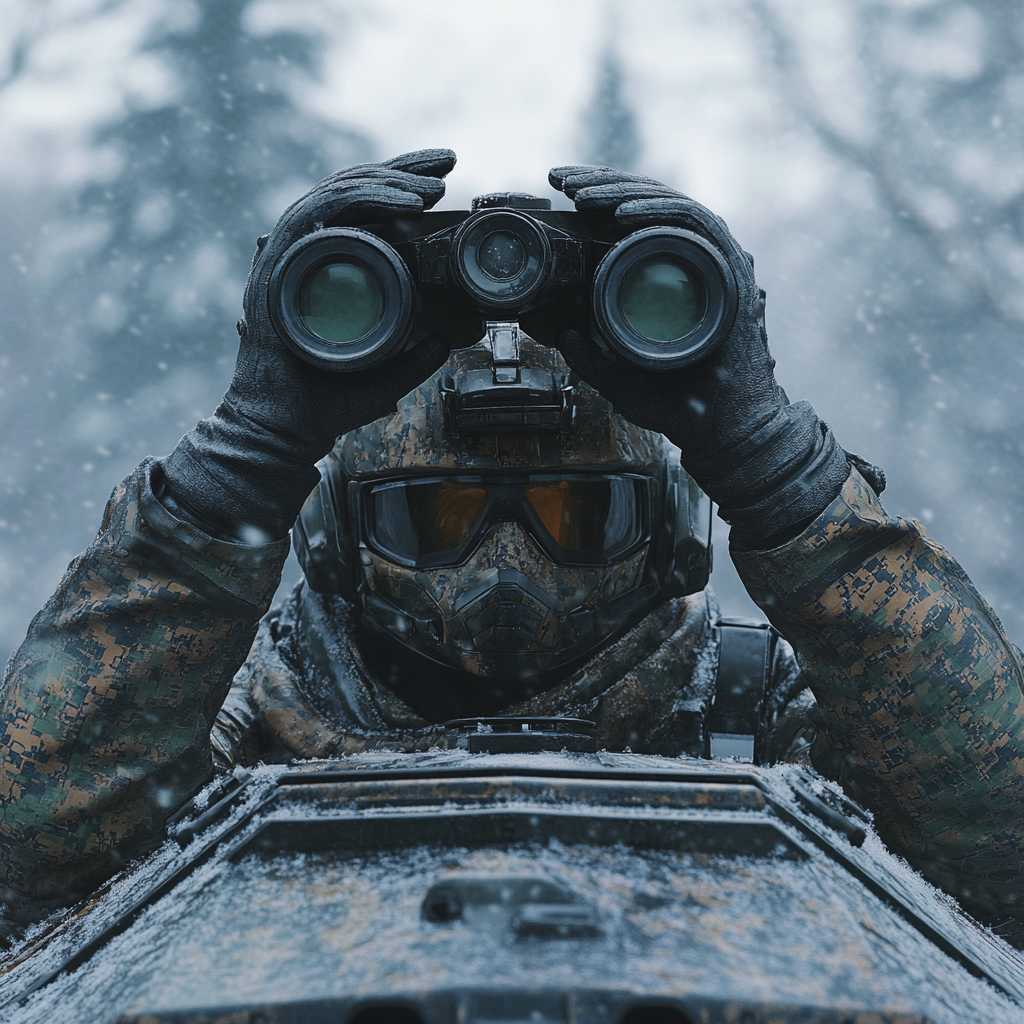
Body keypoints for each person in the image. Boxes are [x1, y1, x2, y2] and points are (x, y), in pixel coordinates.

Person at [2, 150, 1023, 948]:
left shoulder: (753, 716)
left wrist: (769, 457)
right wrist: (243, 457)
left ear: (668, 533)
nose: (504, 572)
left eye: (572, 520)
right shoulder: (241, 719)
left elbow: (1000, 853)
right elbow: (27, 864)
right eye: (435, 520)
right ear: (337, 541)